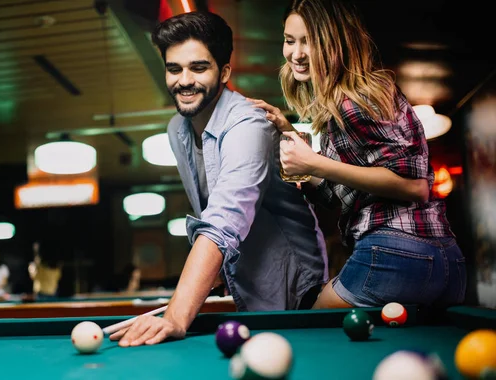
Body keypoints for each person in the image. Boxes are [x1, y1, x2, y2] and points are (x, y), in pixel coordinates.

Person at [109, 11, 328, 347]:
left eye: (198, 68)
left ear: (224, 71)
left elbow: (224, 218)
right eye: (173, 69)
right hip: (246, 283)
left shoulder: (248, 124)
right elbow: (205, 209)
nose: (183, 80)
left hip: (296, 287)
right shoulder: (176, 130)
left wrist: (177, 315)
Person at [249, 0, 466, 310]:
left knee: (311, 327)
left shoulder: (355, 100)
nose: (296, 53)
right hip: (447, 261)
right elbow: (335, 192)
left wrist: (313, 162)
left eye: (309, 41)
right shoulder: (346, 102)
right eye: (290, 40)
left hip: (397, 253)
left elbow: (414, 186)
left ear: (335, 43)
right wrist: (289, 133)